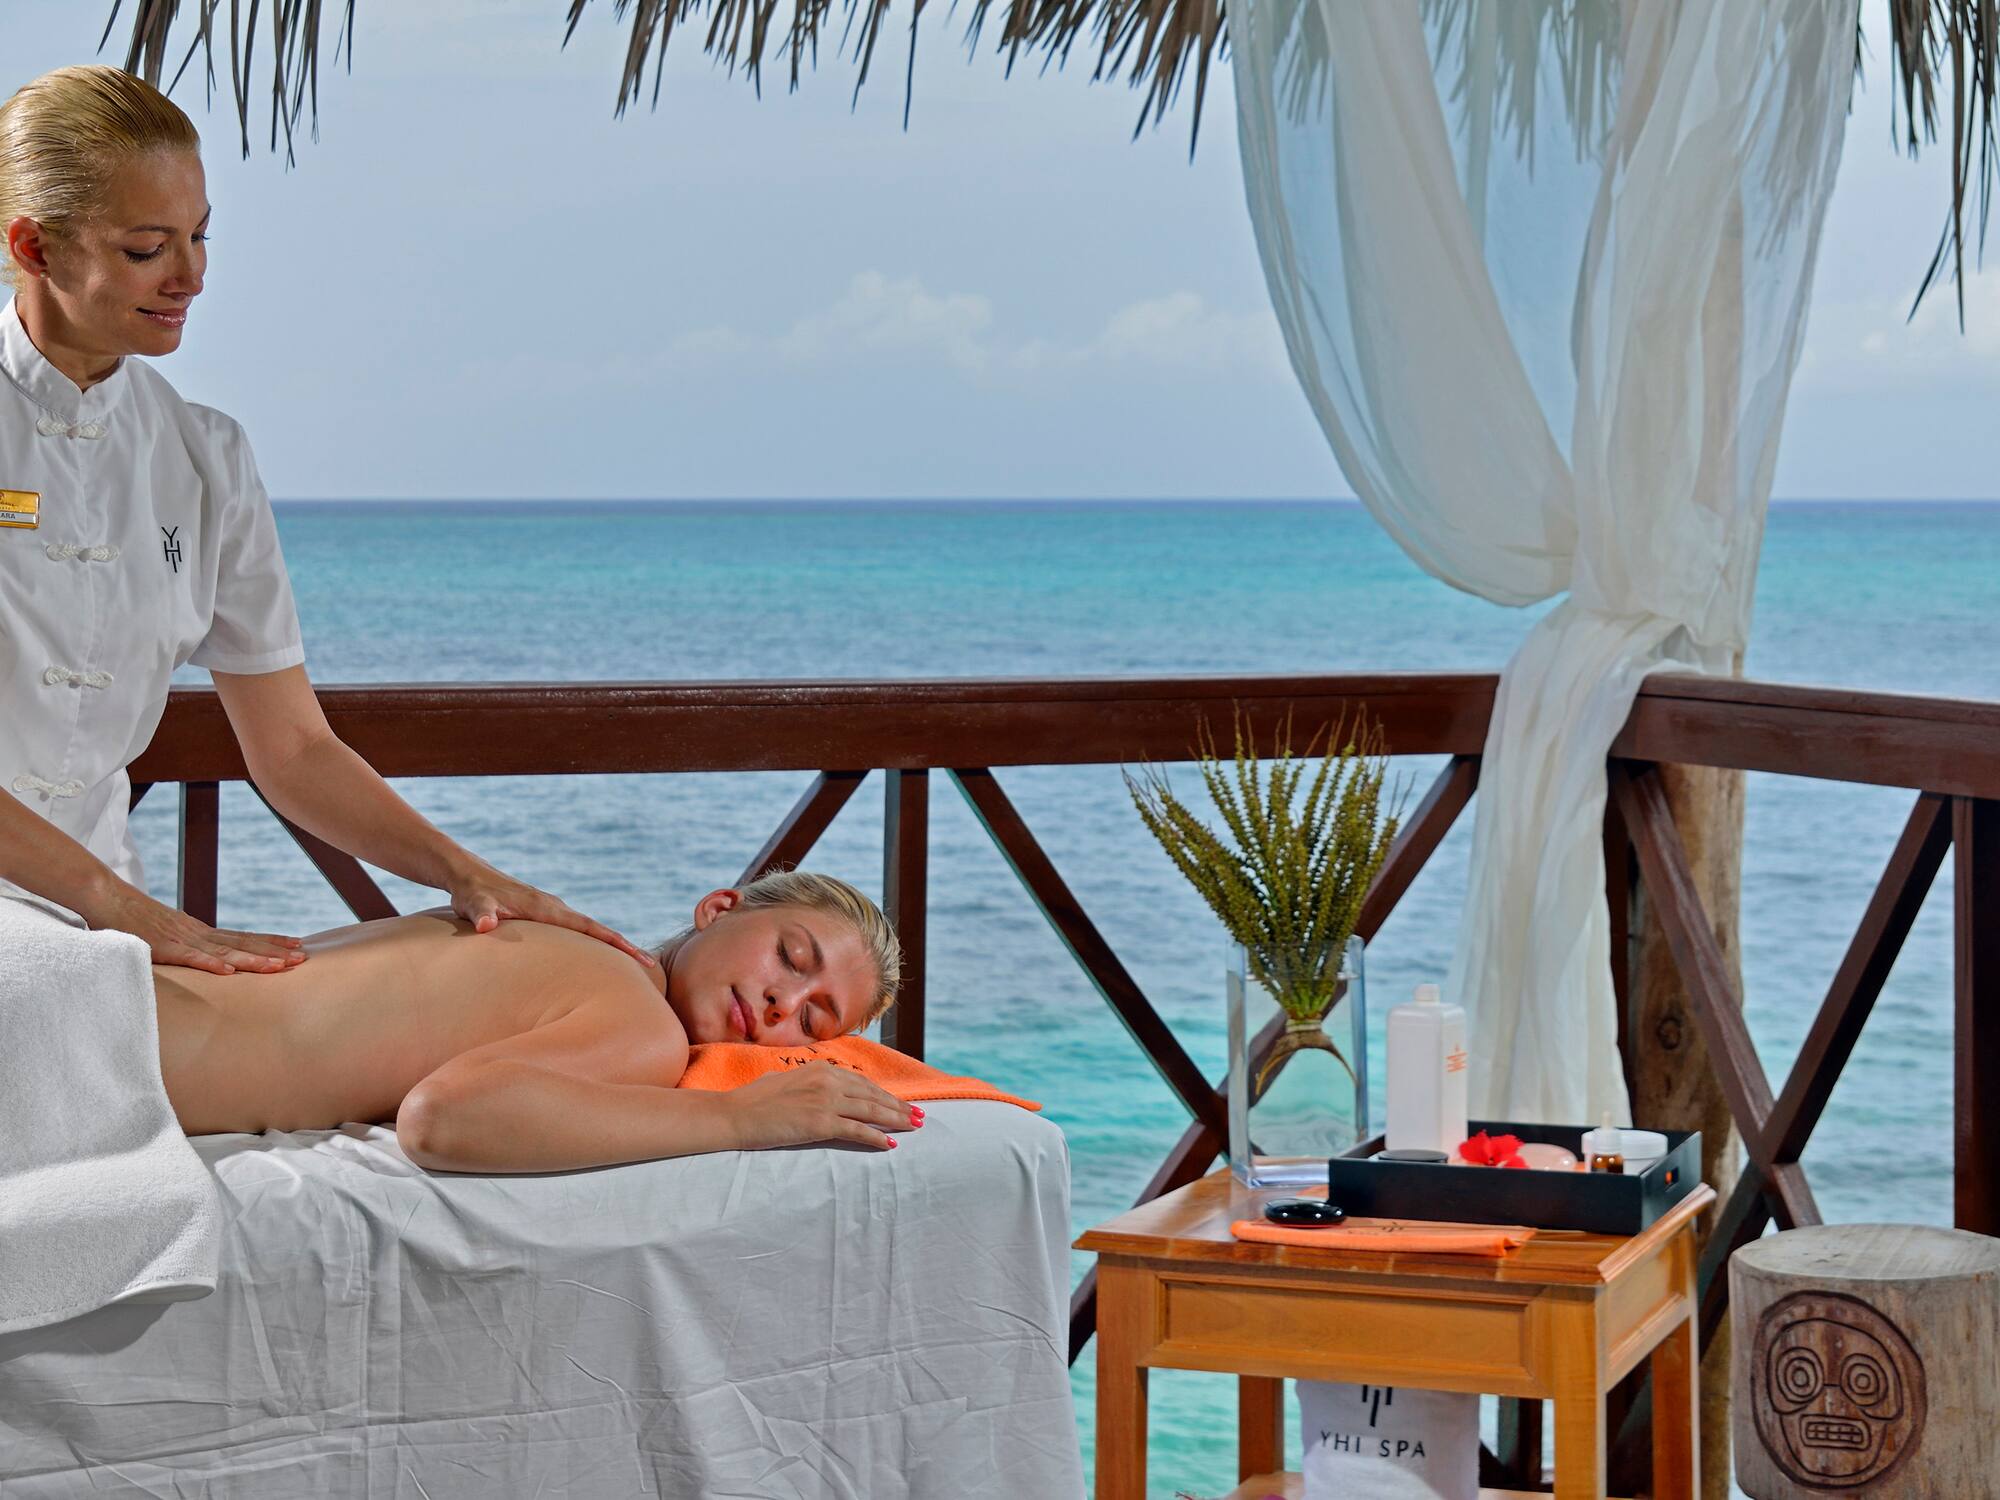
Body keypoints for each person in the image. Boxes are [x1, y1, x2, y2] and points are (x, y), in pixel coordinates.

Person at [0, 64, 649, 973]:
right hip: (105, 924)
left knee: (503, 976)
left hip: (109, 935)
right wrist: (133, 913)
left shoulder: (204, 456)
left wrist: (466, 875)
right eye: (148, 247)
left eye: (201, 235)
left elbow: (294, 746)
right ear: (35, 249)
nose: (191, 275)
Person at [157, 868, 921, 1172]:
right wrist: (742, 1119)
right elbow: (444, 1119)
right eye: (790, 956)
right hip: (105, 1047)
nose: (784, 1004)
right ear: (718, 908)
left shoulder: (560, 936)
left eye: (815, 1024)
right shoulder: (642, 1027)